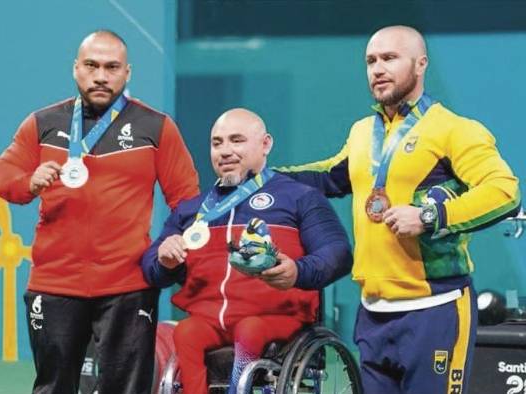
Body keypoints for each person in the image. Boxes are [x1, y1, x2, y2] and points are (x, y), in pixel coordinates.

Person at [277, 25, 521, 394]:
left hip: (435, 309)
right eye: (371, 61)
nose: (377, 68)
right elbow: (329, 176)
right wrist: (261, 177)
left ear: (421, 64)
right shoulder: (362, 132)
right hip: (374, 313)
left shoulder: (455, 129)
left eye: (390, 58)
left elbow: (505, 191)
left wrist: (429, 217)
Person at [0, 30, 199, 394]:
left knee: (127, 389)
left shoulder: (157, 127)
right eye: (91, 66)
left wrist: (170, 245)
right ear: (76, 69)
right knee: (54, 387)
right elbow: (3, 177)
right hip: (55, 283)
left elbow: (186, 200)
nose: (101, 76)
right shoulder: (43, 123)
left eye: (111, 67)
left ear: (127, 73)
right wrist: (30, 182)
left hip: (128, 284)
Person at [141, 108, 353, 394]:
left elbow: (338, 253)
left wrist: (298, 271)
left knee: (249, 328)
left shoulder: (298, 197)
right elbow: (152, 268)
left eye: (237, 140)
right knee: (186, 332)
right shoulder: (192, 210)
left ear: (265, 145)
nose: (225, 151)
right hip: (210, 319)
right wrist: (165, 259)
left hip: (275, 317)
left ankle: (238, 388)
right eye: (217, 143)